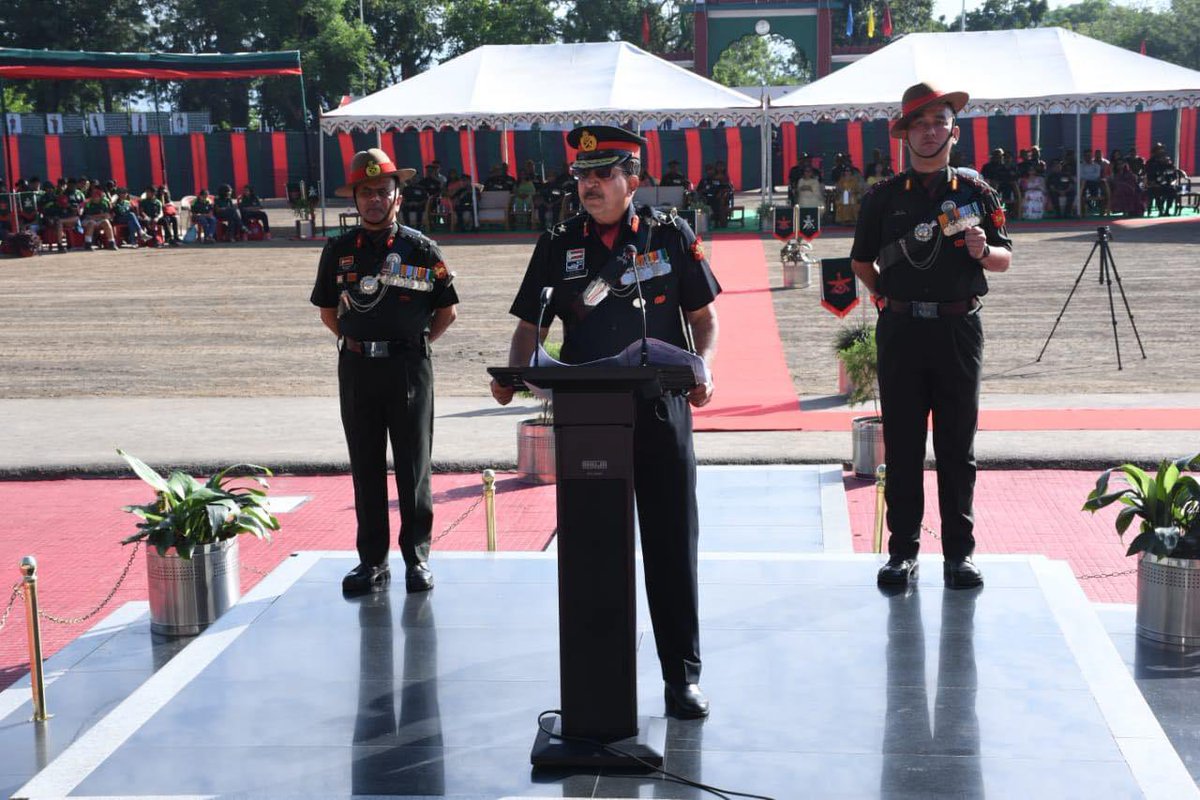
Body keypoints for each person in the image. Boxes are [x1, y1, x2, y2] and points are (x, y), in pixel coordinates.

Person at [490, 125, 721, 719]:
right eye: (583, 176)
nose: (589, 185)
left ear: (633, 180)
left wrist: (705, 369)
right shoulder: (557, 242)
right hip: (589, 419)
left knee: (672, 548)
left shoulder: (670, 237)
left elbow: (704, 318)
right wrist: (516, 375)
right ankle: (597, 674)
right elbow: (529, 327)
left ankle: (681, 676)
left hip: (661, 412)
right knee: (593, 548)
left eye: (603, 174)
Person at [849, 82, 1012, 590]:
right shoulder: (883, 198)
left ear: (953, 132)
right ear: (904, 135)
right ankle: (902, 553)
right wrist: (885, 301)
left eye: (938, 122)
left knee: (957, 447)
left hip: (958, 327)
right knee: (901, 446)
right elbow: (861, 262)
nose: (928, 132)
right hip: (900, 329)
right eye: (918, 124)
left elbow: (1006, 258)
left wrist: (984, 251)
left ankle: (959, 555)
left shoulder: (976, 191)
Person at [310, 148, 459, 597]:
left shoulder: (421, 249)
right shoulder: (338, 250)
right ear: (355, 198)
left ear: (398, 196)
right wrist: (364, 342)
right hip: (357, 367)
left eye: (383, 191)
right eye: (366, 192)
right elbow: (327, 313)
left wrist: (411, 344)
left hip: (409, 368)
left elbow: (448, 312)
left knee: (413, 467)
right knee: (366, 466)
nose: (375, 199)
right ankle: (372, 562)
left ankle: (417, 558)